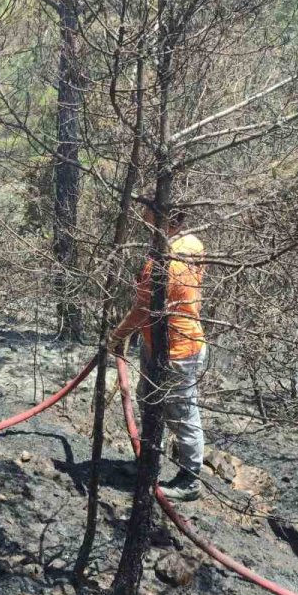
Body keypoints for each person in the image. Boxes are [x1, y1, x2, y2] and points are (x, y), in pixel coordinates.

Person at [108, 201, 207, 501]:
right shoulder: (192, 243)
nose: (146, 225)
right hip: (165, 344)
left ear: (169, 221)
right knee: (150, 401)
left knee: (180, 413)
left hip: (178, 351)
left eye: (151, 220)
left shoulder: (164, 263)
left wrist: (117, 336)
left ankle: (190, 479)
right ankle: (149, 463)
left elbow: (141, 310)